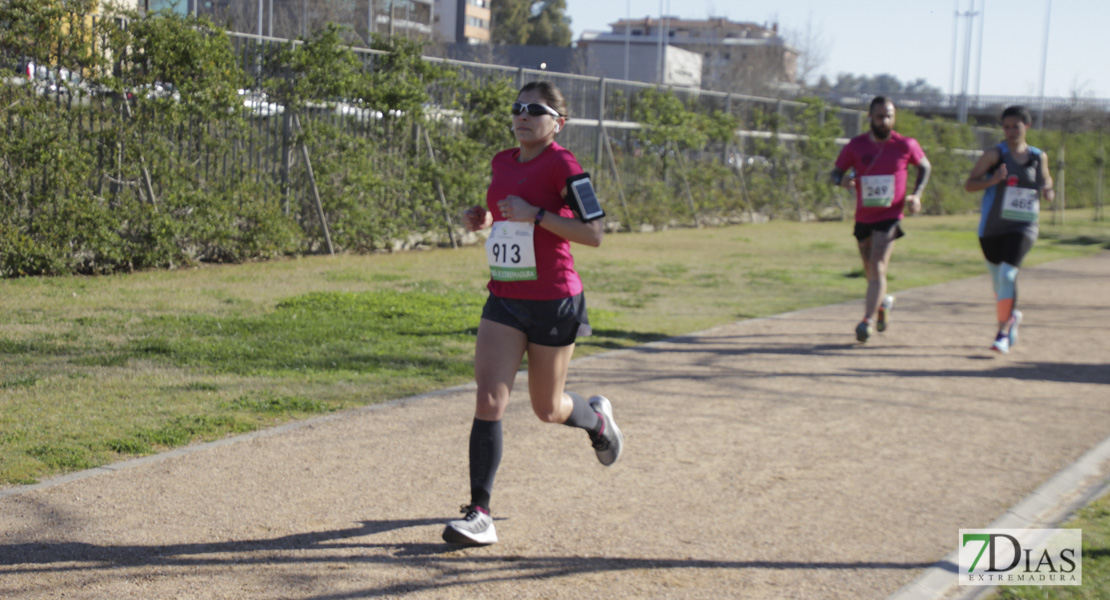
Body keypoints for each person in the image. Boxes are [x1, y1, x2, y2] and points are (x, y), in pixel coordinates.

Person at [443, 81, 624, 546]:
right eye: (518, 108)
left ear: (557, 123)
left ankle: (597, 420)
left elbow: (594, 233)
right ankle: (479, 514)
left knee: (548, 409)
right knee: (489, 399)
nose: (523, 115)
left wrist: (537, 214)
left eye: (535, 110)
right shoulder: (501, 160)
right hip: (505, 296)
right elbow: (501, 211)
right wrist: (482, 219)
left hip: (554, 300)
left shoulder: (566, 165)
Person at [831, 96, 932, 343]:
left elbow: (925, 167)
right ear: (870, 117)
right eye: (880, 116)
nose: (885, 121)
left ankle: (866, 321)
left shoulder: (905, 144)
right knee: (871, 271)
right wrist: (842, 181)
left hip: (890, 214)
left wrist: (916, 195)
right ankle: (883, 303)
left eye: (889, 116)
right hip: (864, 216)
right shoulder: (856, 145)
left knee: (877, 266)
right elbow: (836, 172)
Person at [963, 105, 1054, 354]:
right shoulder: (995, 155)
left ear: (1027, 126)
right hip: (992, 229)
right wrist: (992, 180)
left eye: (1016, 126)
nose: (1011, 131)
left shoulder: (1038, 156)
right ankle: (1011, 316)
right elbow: (969, 185)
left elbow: (1045, 178)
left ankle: (1001, 333)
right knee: (998, 283)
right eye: (1007, 127)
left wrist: (1048, 189)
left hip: (1024, 225)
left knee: (1007, 275)